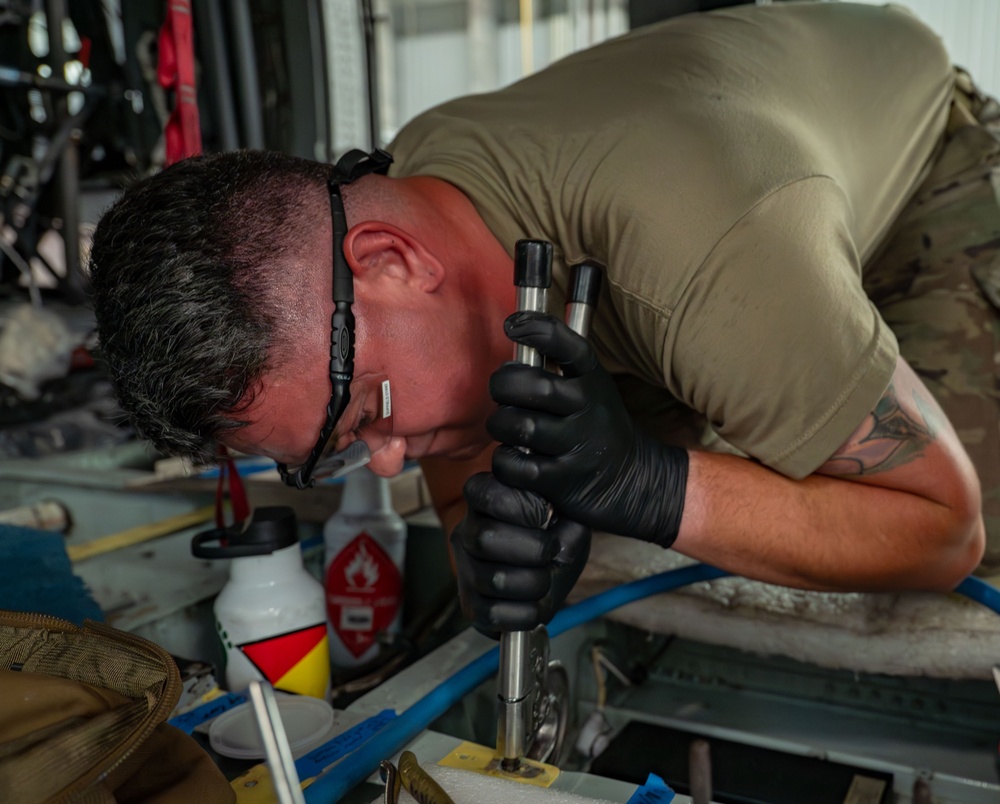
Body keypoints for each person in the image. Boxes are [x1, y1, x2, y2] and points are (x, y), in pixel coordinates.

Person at [88, 2, 999, 635]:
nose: (391, 459)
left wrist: (654, 486)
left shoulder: (704, 254)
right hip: (744, 175)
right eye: (336, 448)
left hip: (925, 161)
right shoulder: (415, 191)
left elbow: (944, 532)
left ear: (391, 260)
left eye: (368, 414)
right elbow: (459, 449)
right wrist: (476, 540)